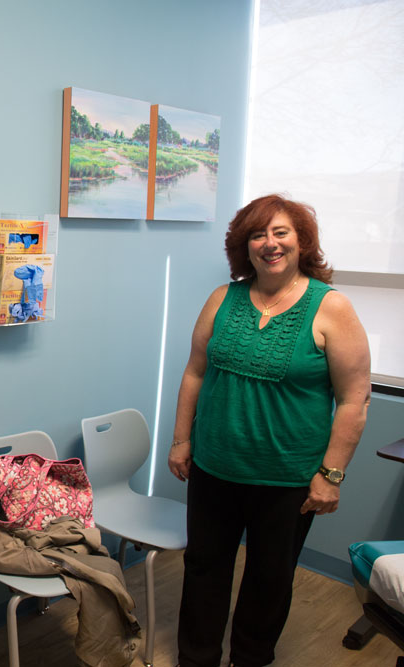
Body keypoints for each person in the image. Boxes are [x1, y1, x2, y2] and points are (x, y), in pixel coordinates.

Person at [167, 194, 371, 667]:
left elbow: (353, 399)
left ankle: (250, 659)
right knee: (203, 569)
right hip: (215, 467)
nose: (270, 243)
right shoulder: (224, 297)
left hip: (287, 478)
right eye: (257, 234)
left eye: (281, 232)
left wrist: (331, 474)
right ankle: (195, 659)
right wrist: (181, 440)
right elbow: (195, 371)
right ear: (245, 246)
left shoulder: (331, 308)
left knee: (269, 578)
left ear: (302, 242)